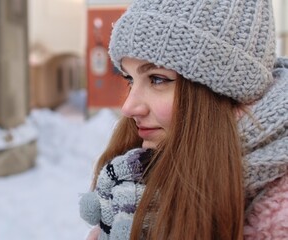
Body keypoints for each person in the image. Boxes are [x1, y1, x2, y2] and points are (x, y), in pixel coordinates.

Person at [79, 0, 288, 239]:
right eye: (130, 79)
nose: (128, 107)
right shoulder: (131, 181)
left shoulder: (278, 220)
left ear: (223, 90)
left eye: (157, 79)